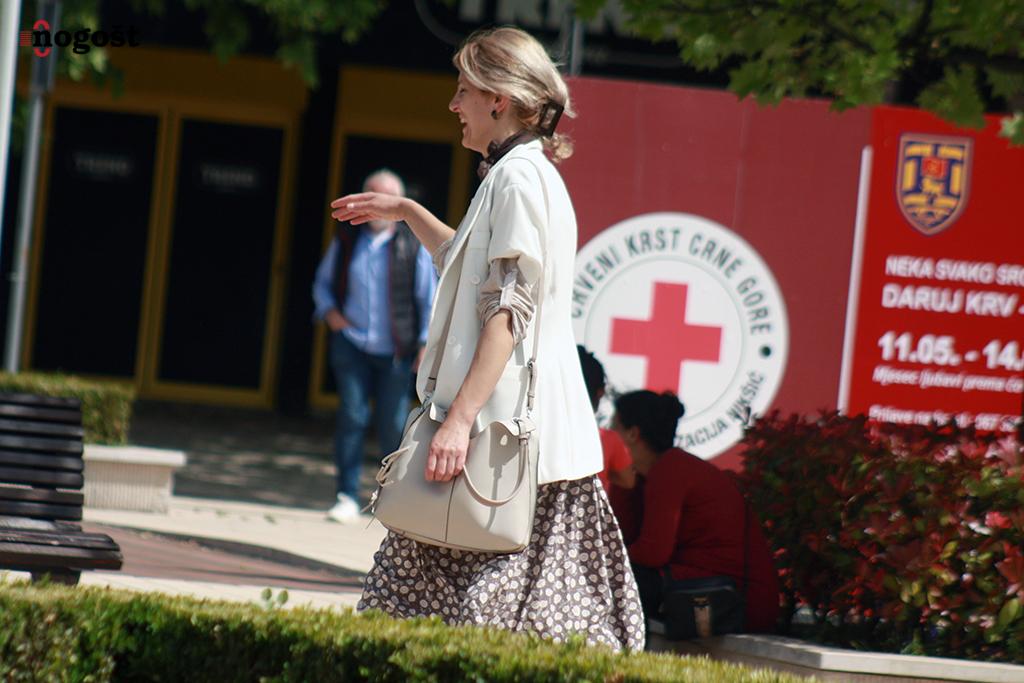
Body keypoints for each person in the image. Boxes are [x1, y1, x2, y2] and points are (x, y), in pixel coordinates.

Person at [330, 27, 644, 650]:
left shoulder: (517, 180)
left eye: (463, 90)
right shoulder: (522, 175)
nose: (453, 104)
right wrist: (409, 213)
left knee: (470, 627)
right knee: (502, 630)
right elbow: (473, 271)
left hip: (507, 444)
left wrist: (458, 421)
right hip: (524, 443)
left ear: (498, 99)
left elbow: (507, 311)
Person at [313, 169, 437, 524]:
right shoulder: (347, 240)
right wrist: (332, 315)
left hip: (396, 351)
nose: (374, 204)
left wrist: (425, 343)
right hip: (352, 344)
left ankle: (390, 497)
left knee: (392, 423)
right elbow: (322, 284)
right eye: (369, 195)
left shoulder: (412, 242)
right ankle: (346, 495)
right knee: (352, 416)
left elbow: (428, 298)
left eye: (381, 197)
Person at [610, 390, 780, 634]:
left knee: (616, 576)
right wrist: (624, 481)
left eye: (613, 427)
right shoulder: (648, 474)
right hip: (700, 588)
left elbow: (652, 553)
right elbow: (624, 537)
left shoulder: (671, 469)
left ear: (633, 434)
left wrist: (603, 557)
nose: (607, 436)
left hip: (734, 602)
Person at [576, 345, 635, 493]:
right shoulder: (607, 439)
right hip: (588, 508)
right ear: (600, 392)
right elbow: (628, 480)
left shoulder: (541, 431)